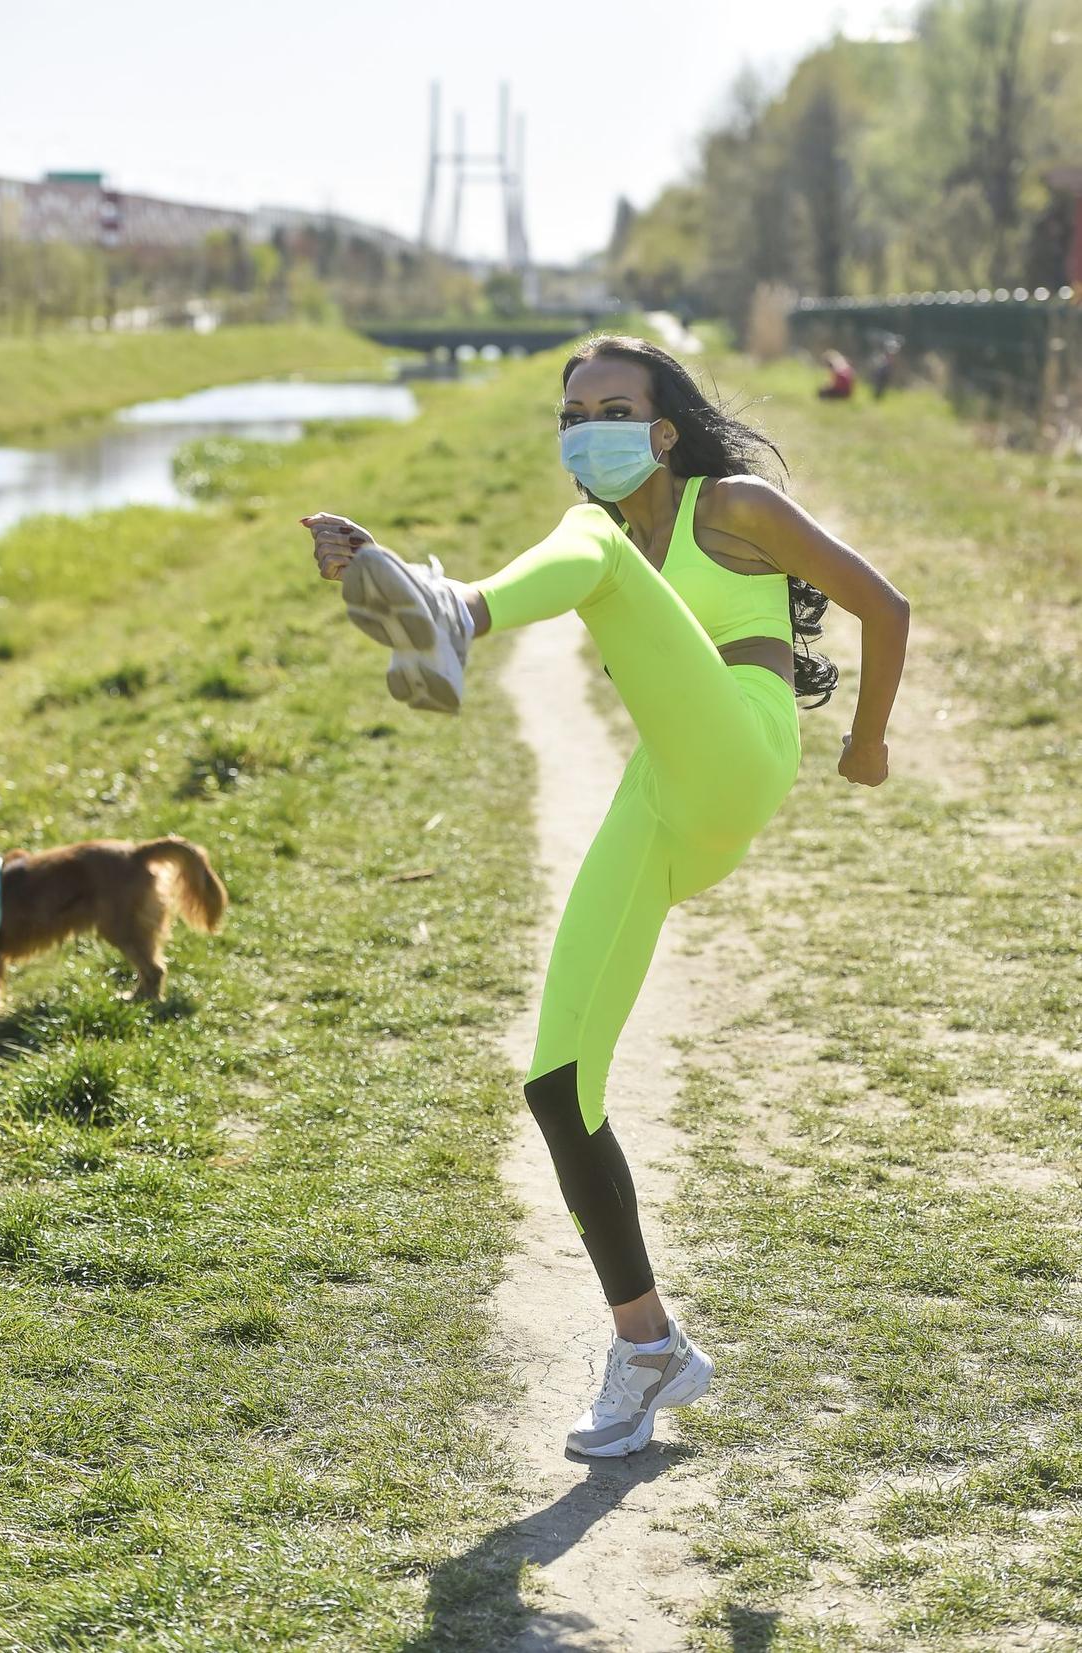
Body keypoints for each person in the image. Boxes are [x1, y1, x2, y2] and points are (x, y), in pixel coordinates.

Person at [302, 333, 910, 1458]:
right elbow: (597, 573)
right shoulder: (613, 537)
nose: (588, 428)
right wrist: (376, 566)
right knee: (555, 1079)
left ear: (661, 426)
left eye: (612, 407)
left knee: (584, 541)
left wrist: (862, 745)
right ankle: (647, 1346)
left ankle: (452, 610)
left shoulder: (728, 505)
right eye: (570, 414)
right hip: (664, 793)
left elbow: (884, 605)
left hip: (739, 749)